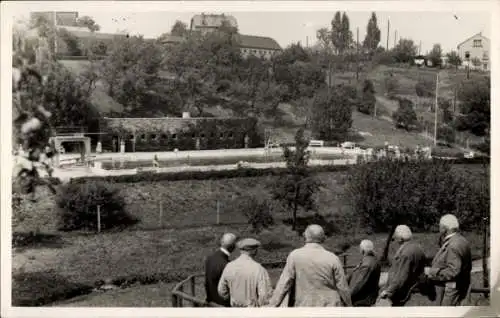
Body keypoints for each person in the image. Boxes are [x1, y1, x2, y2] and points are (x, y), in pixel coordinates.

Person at [268, 224, 352, 307]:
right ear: (323, 238)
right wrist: (349, 306)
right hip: (330, 306)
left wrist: (272, 305)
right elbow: (343, 287)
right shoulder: (333, 258)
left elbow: (284, 283)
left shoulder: (295, 255)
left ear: (305, 237)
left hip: (305, 305)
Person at [426, 214, 472, 306]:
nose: (439, 229)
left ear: (444, 228)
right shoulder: (462, 240)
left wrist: (431, 272)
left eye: (440, 226)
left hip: (451, 291)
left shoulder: (453, 245)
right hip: (460, 288)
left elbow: (453, 271)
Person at [379, 225, 427, 306]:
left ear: (401, 239)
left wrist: (388, 291)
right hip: (415, 289)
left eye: (396, 237)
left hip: (404, 293)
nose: (394, 239)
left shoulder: (405, 253)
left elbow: (401, 277)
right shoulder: (418, 248)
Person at [217, 238, 272, 307]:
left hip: (235, 309)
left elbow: (221, 290)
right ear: (254, 251)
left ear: (240, 250)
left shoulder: (229, 266)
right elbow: (265, 295)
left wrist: (231, 298)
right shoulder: (259, 269)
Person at [204, 233, 237, 307]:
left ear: (221, 242)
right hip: (223, 304)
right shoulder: (227, 264)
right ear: (233, 247)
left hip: (211, 301)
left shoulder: (210, 258)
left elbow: (206, 282)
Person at [348, 240, 381, 307]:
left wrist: (347, 296)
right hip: (367, 299)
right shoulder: (373, 260)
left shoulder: (367, 264)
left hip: (362, 300)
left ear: (362, 250)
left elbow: (359, 283)